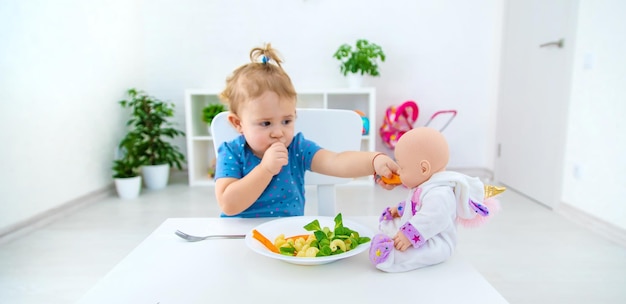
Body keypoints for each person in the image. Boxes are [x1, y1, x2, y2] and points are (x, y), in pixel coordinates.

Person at [213, 43, 399, 218]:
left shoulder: (297, 148)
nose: (278, 132)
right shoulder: (232, 152)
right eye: (266, 123)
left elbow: (336, 161)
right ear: (238, 123)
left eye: (286, 121)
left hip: (286, 240)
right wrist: (265, 169)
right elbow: (228, 205)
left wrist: (373, 161)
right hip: (239, 237)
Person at [369, 127, 503, 272]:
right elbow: (418, 205)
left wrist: (408, 235)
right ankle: (393, 233)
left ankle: (390, 259)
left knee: (417, 252)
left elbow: (431, 219)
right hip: (422, 229)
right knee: (395, 224)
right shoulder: (425, 184)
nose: (399, 172)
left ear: (424, 169)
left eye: (402, 167)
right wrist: (401, 209)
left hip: (436, 240)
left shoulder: (440, 194)